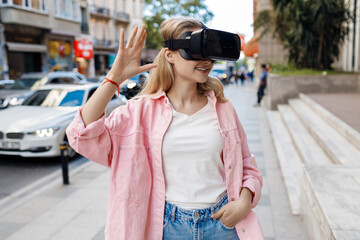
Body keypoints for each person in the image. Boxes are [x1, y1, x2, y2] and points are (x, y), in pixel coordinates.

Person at [66, 17, 263, 240]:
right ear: (169, 54)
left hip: (223, 224)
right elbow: (82, 135)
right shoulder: (138, 112)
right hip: (167, 227)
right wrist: (114, 78)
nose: (205, 60)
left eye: (208, 52)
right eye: (195, 50)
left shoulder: (223, 109)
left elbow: (247, 163)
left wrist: (245, 201)